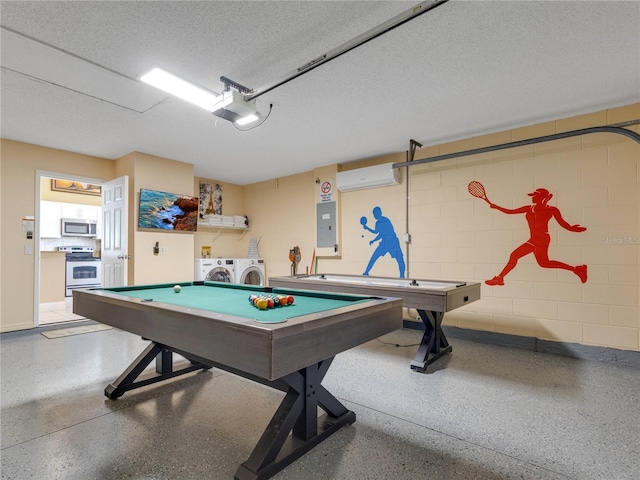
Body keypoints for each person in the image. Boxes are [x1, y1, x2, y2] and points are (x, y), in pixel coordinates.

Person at [485, 188, 587, 285]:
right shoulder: (529, 208)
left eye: (535, 196)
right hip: (534, 239)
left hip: (542, 239)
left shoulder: (552, 209)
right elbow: (511, 211)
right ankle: (577, 269)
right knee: (543, 263)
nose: (532, 197)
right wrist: (496, 207)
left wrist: (572, 229)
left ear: (543, 197)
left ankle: (500, 278)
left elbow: (563, 224)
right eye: (533, 196)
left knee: (517, 256)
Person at [362, 206, 405, 277]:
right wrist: (367, 229)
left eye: (376, 213)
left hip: (392, 241)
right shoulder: (378, 222)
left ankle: (402, 276)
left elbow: (381, 234)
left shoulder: (385, 220)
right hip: (385, 242)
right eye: (374, 214)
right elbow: (377, 232)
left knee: (400, 259)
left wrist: (373, 239)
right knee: (374, 256)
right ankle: (366, 272)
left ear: (380, 213)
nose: (375, 215)